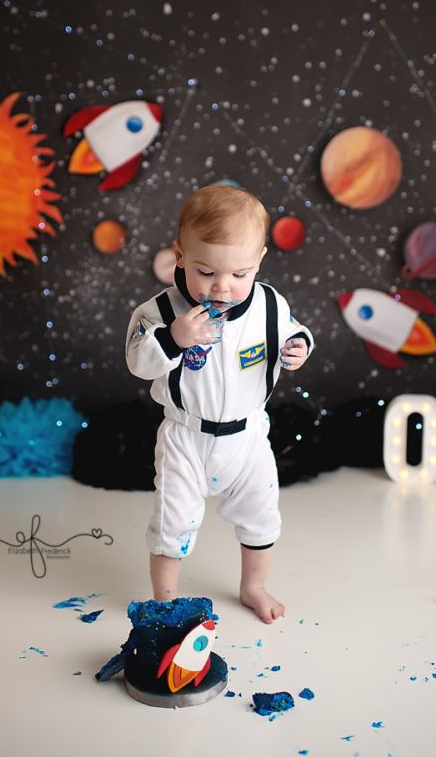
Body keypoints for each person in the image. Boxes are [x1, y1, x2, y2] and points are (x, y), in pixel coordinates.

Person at [125, 184, 314, 623]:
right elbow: (137, 361)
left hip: (248, 437)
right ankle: (166, 603)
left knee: (262, 517)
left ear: (260, 261)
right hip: (186, 436)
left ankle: (253, 586)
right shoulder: (158, 312)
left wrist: (299, 347)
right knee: (172, 526)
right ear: (180, 255)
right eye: (206, 272)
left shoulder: (269, 303)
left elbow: (294, 331)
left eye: (239, 274)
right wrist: (173, 340)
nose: (223, 288)